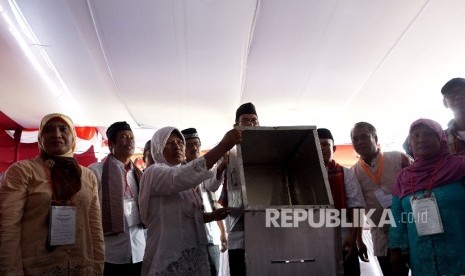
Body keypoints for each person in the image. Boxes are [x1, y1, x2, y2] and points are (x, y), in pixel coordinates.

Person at [0, 113, 104, 275]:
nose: (56, 134)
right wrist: (10, 271)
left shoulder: (87, 175)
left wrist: (98, 266)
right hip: (37, 268)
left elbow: (94, 225)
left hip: (82, 267)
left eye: (63, 129)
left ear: (73, 137)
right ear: (41, 137)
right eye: (49, 130)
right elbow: (8, 227)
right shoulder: (23, 171)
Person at [139, 126, 241, 275]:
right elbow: (179, 177)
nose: (177, 146)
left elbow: (190, 215)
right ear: (158, 147)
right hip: (168, 256)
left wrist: (212, 216)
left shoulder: (185, 181)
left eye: (180, 143)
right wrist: (222, 146)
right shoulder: (153, 172)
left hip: (190, 253)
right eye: (170, 143)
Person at [389, 118, 465, 275]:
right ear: (410, 143)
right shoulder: (403, 178)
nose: (422, 139)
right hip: (422, 258)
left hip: (459, 253)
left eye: (429, 134)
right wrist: (396, 251)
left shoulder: (460, 166)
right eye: (415, 136)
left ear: (441, 138)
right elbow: (397, 217)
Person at [350, 121, 412, 276]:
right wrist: (359, 240)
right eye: (355, 139)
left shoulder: (399, 158)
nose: (359, 142)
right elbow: (356, 208)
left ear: (375, 137)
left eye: (364, 137)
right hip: (381, 235)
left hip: (409, 229)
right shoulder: (353, 173)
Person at [207, 102, 259, 276]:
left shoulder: (266, 148)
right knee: (239, 269)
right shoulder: (227, 150)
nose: (250, 124)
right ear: (237, 125)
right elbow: (211, 186)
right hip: (237, 225)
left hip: (263, 224)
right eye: (246, 120)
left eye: (254, 120)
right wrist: (221, 166)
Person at [89, 121, 146, 276]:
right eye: (124, 137)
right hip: (111, 253)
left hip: (140, 249)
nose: (130, 141)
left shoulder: (140, 175)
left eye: (132, 137)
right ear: (111, 144)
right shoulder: (96, 171)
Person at [317, 128, 368, 276]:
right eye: (317, 144)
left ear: (333, 148)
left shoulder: (346, 173)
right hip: (314, 241)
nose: (321, 148)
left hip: (344, 240)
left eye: (325, 144)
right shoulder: (304, 176)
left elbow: (357, 208)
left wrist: (353, 239)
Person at [181, 127, 228, 276]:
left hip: (210, 236)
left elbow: (212, 188)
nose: (194, 148)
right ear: (182, 148)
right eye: (189, 145)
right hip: (189, 238)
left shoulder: (205, 169)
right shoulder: (177, 173)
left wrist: (222, 232)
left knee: (214, 270)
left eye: (197, 144)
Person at [441, 77, 465, 155]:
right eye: (451, 94)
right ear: (445, 103)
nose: (458, 97)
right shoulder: (442, 139)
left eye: (463, 92)